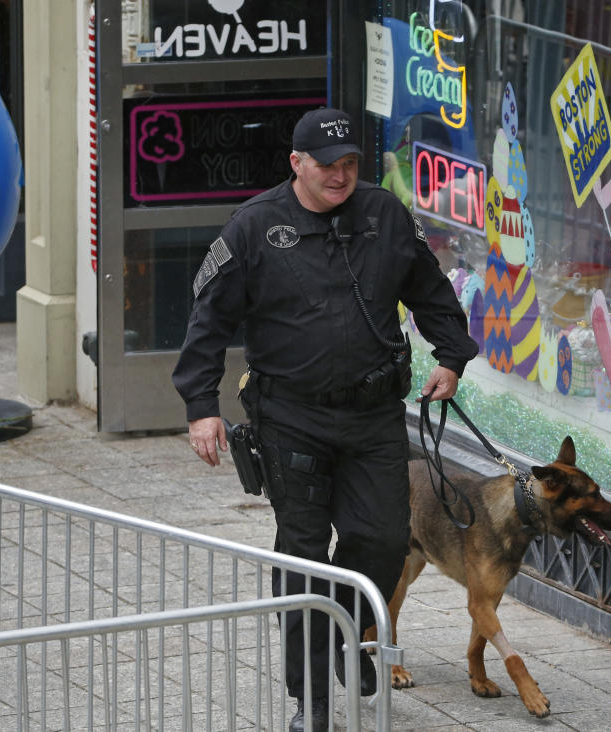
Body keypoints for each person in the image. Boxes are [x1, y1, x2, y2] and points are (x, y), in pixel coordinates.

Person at [172, 107, 478, 731]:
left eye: (349, 165)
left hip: (372, 418)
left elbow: (431, 291)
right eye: (325, 165)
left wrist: (451, 358)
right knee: (306, 552)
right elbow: (208, 323)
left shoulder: (384, 215)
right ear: (296, 164)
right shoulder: (253, 228)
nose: (339, 177)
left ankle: (346, 629)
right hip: (291, 418)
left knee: (385, 542)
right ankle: (309, 696)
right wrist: (201, 407)